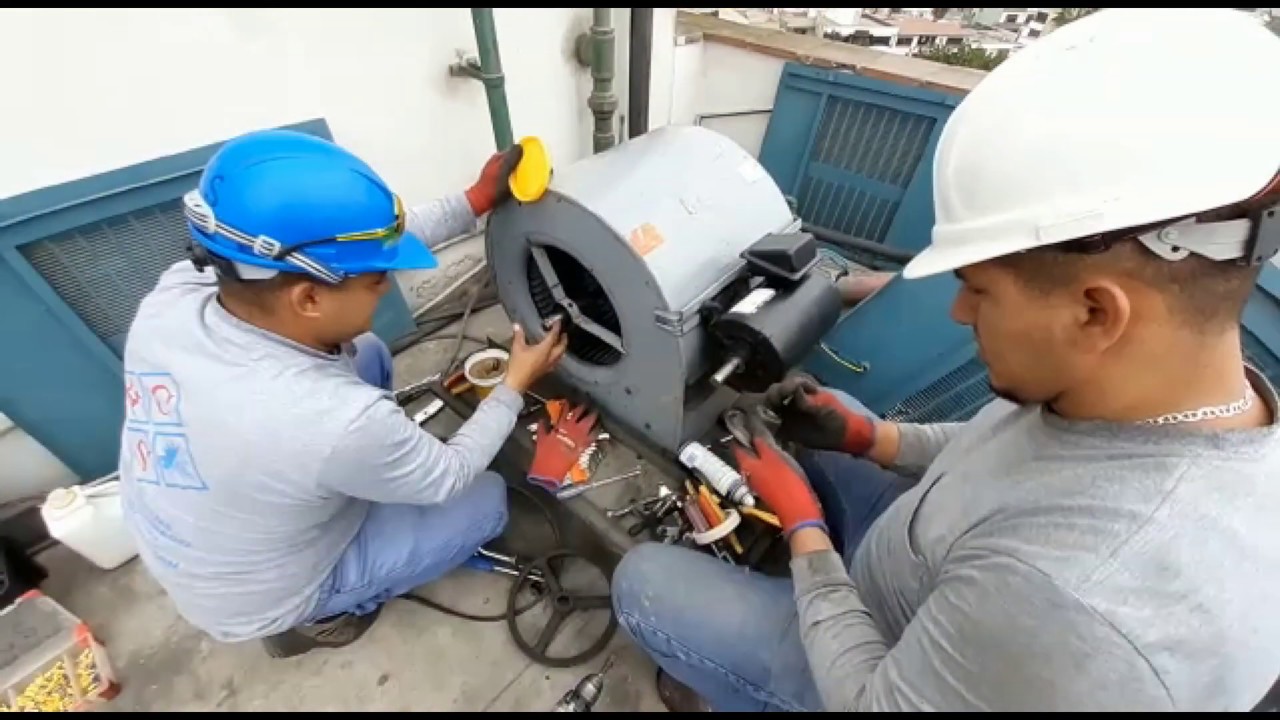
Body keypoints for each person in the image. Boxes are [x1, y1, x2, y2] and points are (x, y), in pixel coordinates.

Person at [610, 7, 1280, 712]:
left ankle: (729, 686)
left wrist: (805, 533)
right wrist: (876, 440)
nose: (960, 313)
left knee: (645, 580)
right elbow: (1015, 454)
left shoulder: (1079, 604)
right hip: (932, 576)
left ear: (1095, 312)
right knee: (847, 420)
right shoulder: (1149, 400)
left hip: (886, 670)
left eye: (978, 291)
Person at [117, 128, 571, 659]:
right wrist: (516, 382)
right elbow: (448, 476)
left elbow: (356, 248)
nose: (386, 285)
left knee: (369, 351)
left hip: (194, 537)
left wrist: (473, 201)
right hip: (256, 593)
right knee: (488, 501)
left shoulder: (182, 290)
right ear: (308, 297)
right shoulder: (325, 416)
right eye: (377, 282)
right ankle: (323, 617)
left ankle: (352, 479)